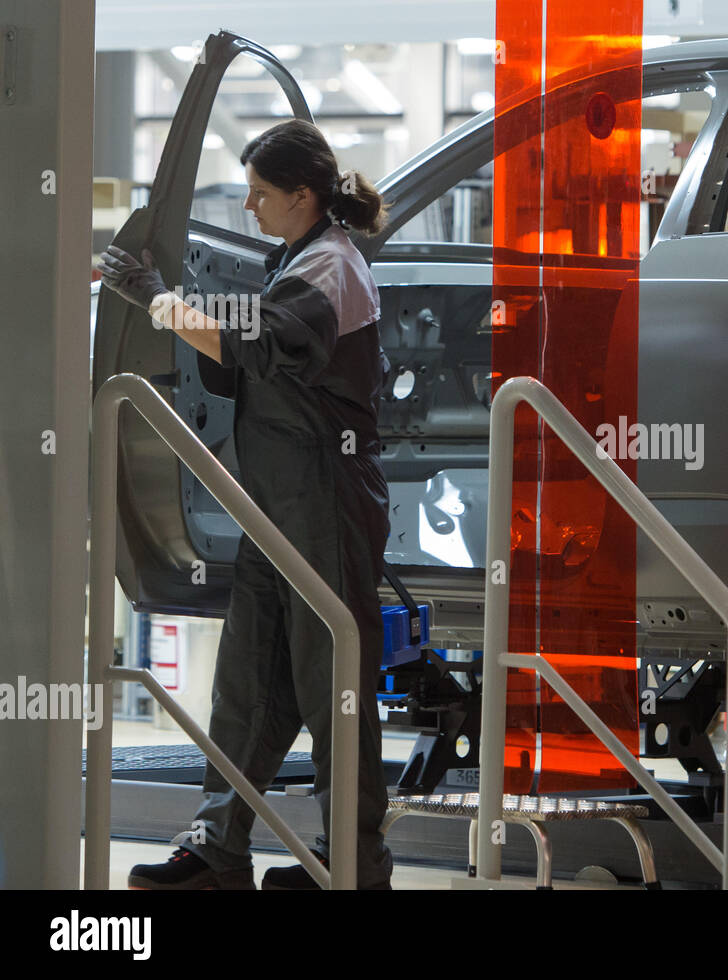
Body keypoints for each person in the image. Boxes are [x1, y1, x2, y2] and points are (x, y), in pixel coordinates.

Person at [98, 119, 394, 889]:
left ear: (304, 196)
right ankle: (216, 848)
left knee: (335, 687)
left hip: (326, 504)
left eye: (263, 196)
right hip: (274, 508)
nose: (252, 209)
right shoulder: (298, 258)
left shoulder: (331, 268)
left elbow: (256, 343)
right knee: (248, 683)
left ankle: (354, 867)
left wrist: (160, 301)